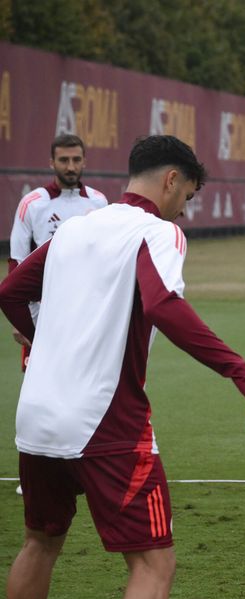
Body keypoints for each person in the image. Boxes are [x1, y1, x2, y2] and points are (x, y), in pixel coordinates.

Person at [0, 135, 245, 599]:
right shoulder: (155, 232)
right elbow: (165, 307)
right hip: (105, 422)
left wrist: (37, 340)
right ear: (172, 180)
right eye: (187, 197)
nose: (185, 211)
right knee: (153, 563)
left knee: (40, 540)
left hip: (37, 414)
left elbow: (10, 291)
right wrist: (240, 373)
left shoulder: (75, 228)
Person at [7, 134, 108, 496]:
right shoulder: (32, 204)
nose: (71, 167)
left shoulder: (99, 203)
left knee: (86, 386)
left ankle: (83, 465)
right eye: (64, 160)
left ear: (84, 160)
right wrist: (25, 321)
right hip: (43, 316)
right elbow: (17, 263)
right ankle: (34, 472)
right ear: (51, 162)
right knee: (39, 390)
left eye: (76, 159)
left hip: (86, 315)